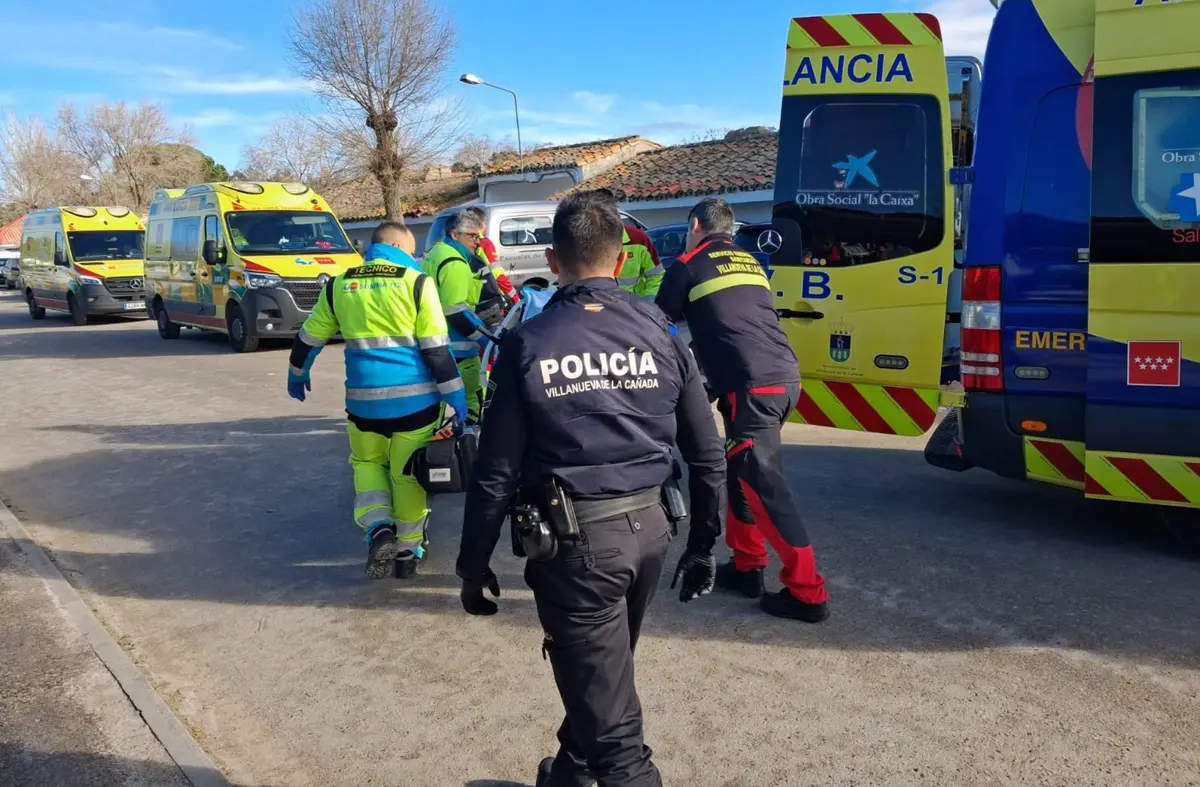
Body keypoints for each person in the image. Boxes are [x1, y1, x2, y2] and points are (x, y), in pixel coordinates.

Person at [455, 190, 726, 787]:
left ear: (553, 262)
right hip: (650, 533)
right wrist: (704, 542)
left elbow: (495, 471)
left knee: (619, 745)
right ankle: (569, 775)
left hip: (580, 550)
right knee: (600, 676)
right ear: (624, 259)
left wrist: (472, 564)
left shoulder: (528, 343)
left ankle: (595, 767)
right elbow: (707, 452)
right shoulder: (662, 333)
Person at [655, 197, 830, 623]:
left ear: (695, 225)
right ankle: (748, 566)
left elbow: (656, 329)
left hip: (753, 387)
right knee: (741, 474)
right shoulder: (751, 264)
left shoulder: (688, 265)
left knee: (764, 485)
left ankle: (807, 593)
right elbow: (735, 323)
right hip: (781, 379)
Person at [287, 221, 467, 580]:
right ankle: (407, 552)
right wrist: (456, 396)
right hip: (415, 405)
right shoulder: (416, 283)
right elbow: (435, 350)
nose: (415, 256)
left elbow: (310, 337)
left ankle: (379, 529)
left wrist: (297, 371)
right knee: (407, 476)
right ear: (399, 247)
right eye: (412, 249)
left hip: (363, 406)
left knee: (367, 464)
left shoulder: (340, 284)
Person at [423, 209, 503, 425]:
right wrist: (485, 340)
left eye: (479, 236)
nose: (478, 241)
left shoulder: (435, 253)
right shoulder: (455, 262)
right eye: (472, 236)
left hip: (434, 345)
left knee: (433, 410)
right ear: (455, 235)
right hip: (458, 349)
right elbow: (455, 311)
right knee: (472, 408)